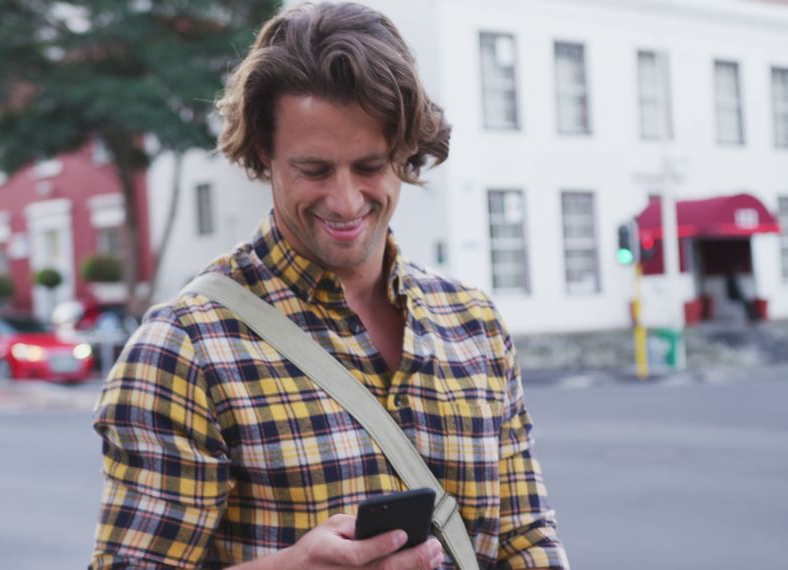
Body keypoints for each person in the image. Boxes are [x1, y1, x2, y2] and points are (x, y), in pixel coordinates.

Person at [90, 3, 569, 569]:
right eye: (314, 170)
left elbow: (526, 540)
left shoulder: (474, 324)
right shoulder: (184, 347)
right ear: (266, 155)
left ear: (406, 152)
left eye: (369, 166)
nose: (344, 202)